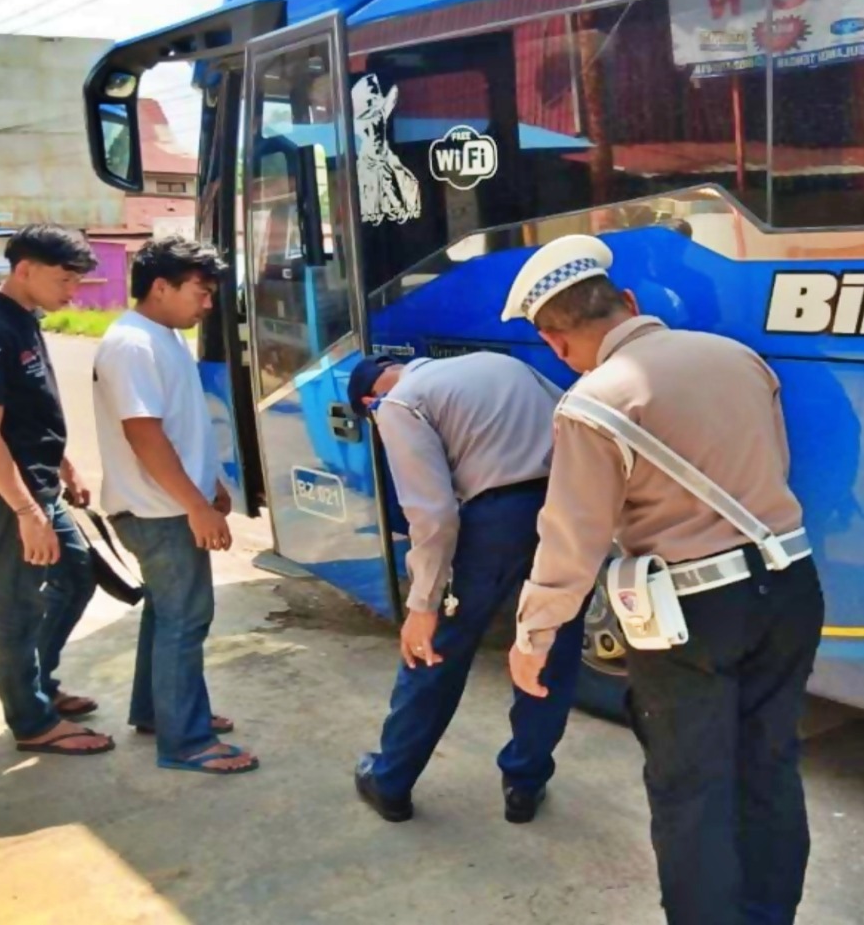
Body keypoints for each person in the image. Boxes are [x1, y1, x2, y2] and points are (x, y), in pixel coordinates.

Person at [501, 235, 825, 925]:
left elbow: (571, 541)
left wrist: (532, 636)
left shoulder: (591, 404)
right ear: (629, 301)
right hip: (791, 582)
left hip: (693, 612)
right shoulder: (739, 358)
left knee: (691, 790)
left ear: (556, 341)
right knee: (770, 764)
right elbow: (774, 465)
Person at [349, 349, 586, 824]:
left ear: (372, 398)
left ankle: (391, 781)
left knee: (435, 653)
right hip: (564, 513)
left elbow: (433, 515)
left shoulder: (399, 404)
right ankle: (525, 784)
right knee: (549, 650)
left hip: (492, 524)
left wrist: (423, 603)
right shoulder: (501, 362)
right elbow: (576, 419)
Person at [91, 235, 256, 776]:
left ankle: (161, 712)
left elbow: (177, 429)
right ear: (160, 287)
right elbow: (144, 434)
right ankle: (186, 740)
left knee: (167, 613)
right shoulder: (133, 344)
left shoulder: (158, 336)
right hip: (158, 512)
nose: (207, 305)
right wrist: (197, 506)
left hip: (169, 504)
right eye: (200, 292)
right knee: (187, 619)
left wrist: (210, 487)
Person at [0, 223, 109, 756]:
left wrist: (64, 467)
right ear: (24, 269)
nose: (71, 292)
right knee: (17, 603)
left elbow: (28, 410)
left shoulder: (23, 320)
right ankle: (32, 722)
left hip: (36, 487)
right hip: (5, 497)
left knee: (77, 573)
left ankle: (38, 685)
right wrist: (25, 510)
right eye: (65, 280)